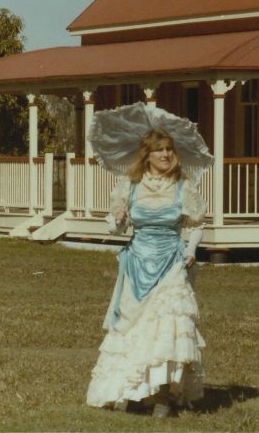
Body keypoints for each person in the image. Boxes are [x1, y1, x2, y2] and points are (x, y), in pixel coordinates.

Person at [85, 127, 207, 417]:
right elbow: (116, 228)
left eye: (169, 149)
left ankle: (163, 397)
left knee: (166, 327)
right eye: (159, 150)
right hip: (138, 263)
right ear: (147, 155)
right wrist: (117, 220)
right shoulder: (130, 185)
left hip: (171, 264)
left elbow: (197, 224)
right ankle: (137, 389)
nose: (165, 155)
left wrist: (191, 250)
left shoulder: (182, 184)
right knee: (136, 328)